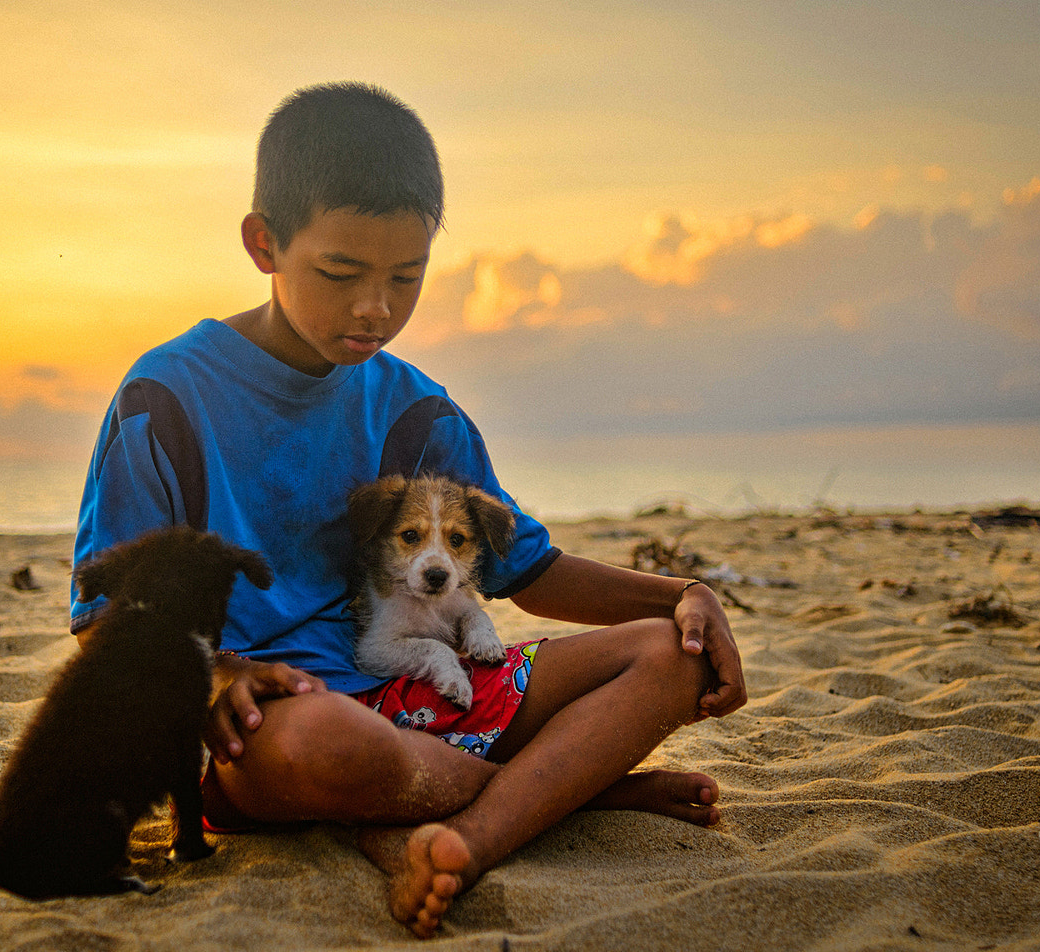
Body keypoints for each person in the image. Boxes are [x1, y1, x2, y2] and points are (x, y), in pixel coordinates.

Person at [72, 81, 746, 939]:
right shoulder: (164, 400)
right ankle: (566, 796)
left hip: (423, 693)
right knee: (327, 744)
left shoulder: (418, 413)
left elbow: (532, 576)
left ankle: (458, 833)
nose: (376, 308)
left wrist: (679, 595)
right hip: (278, 727)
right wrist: (213, 675)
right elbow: (104, 617)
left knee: (671, 658)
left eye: (407, 277)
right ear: (263, 242)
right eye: (343, 274)